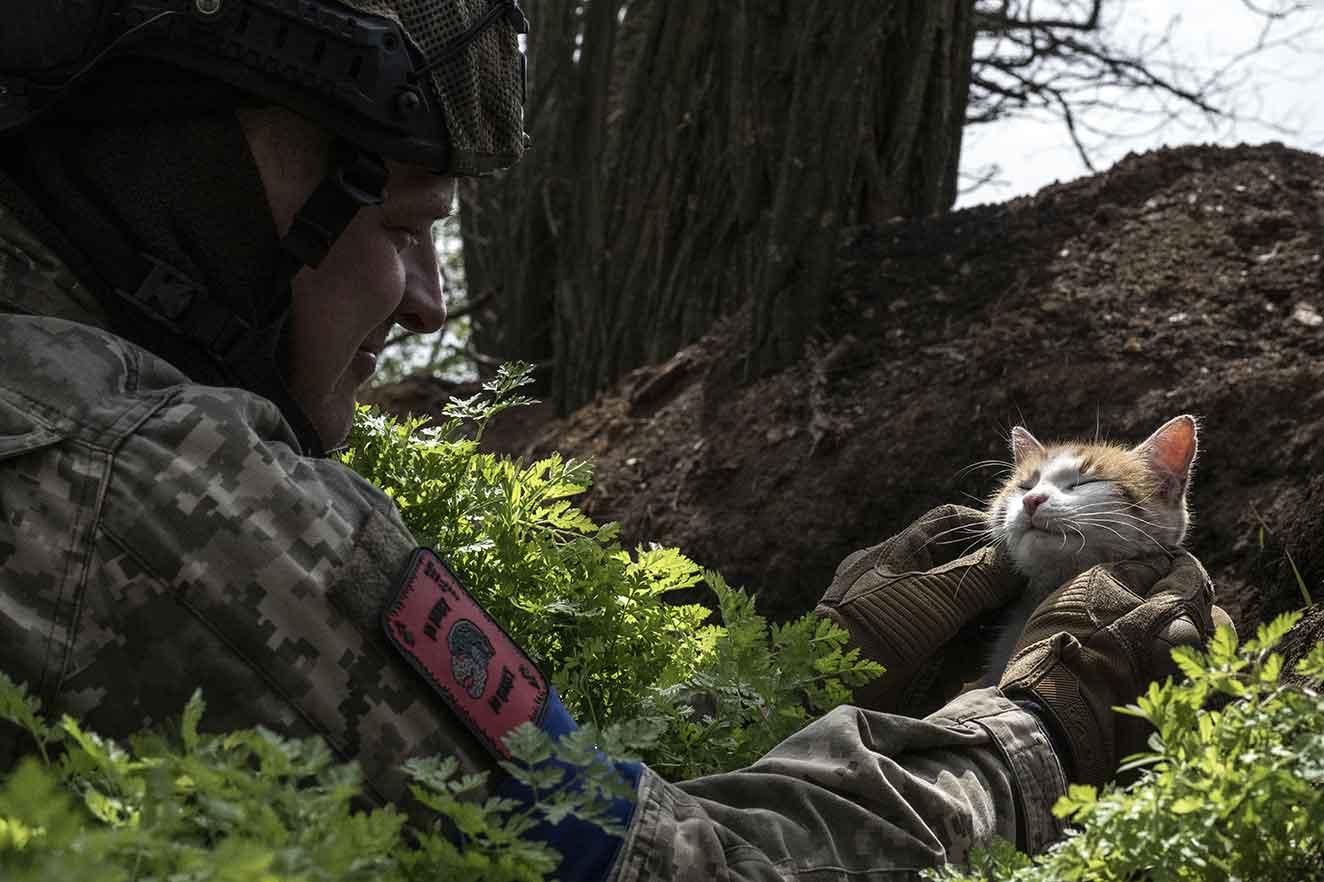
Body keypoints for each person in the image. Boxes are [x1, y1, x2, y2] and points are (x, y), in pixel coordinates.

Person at [0, 2, 1221, 880]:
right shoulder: (145, 474)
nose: (427, 299)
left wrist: (807, 675)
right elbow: (682, 869)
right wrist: (1032, 729)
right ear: (201, 173)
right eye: (405, 226)